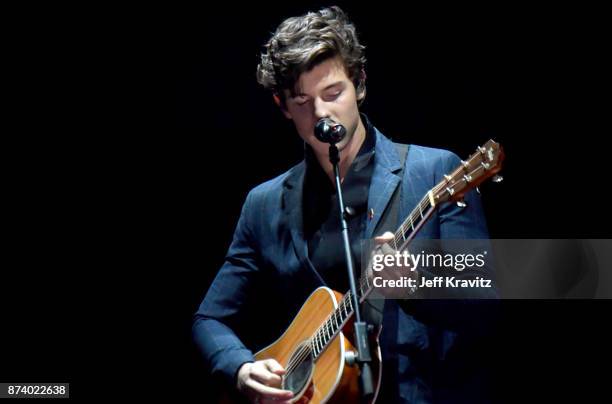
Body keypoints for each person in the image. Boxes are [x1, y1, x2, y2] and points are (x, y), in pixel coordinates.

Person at [194, 6, 495, 403]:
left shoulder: (433, 169)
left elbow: (486, 301)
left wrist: (416, 284)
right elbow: (209, 318)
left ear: (360, 83)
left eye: (333, 93)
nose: (321, 114)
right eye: (302, 101)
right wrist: (241, 367)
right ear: (281, 107)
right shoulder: (263, 205)